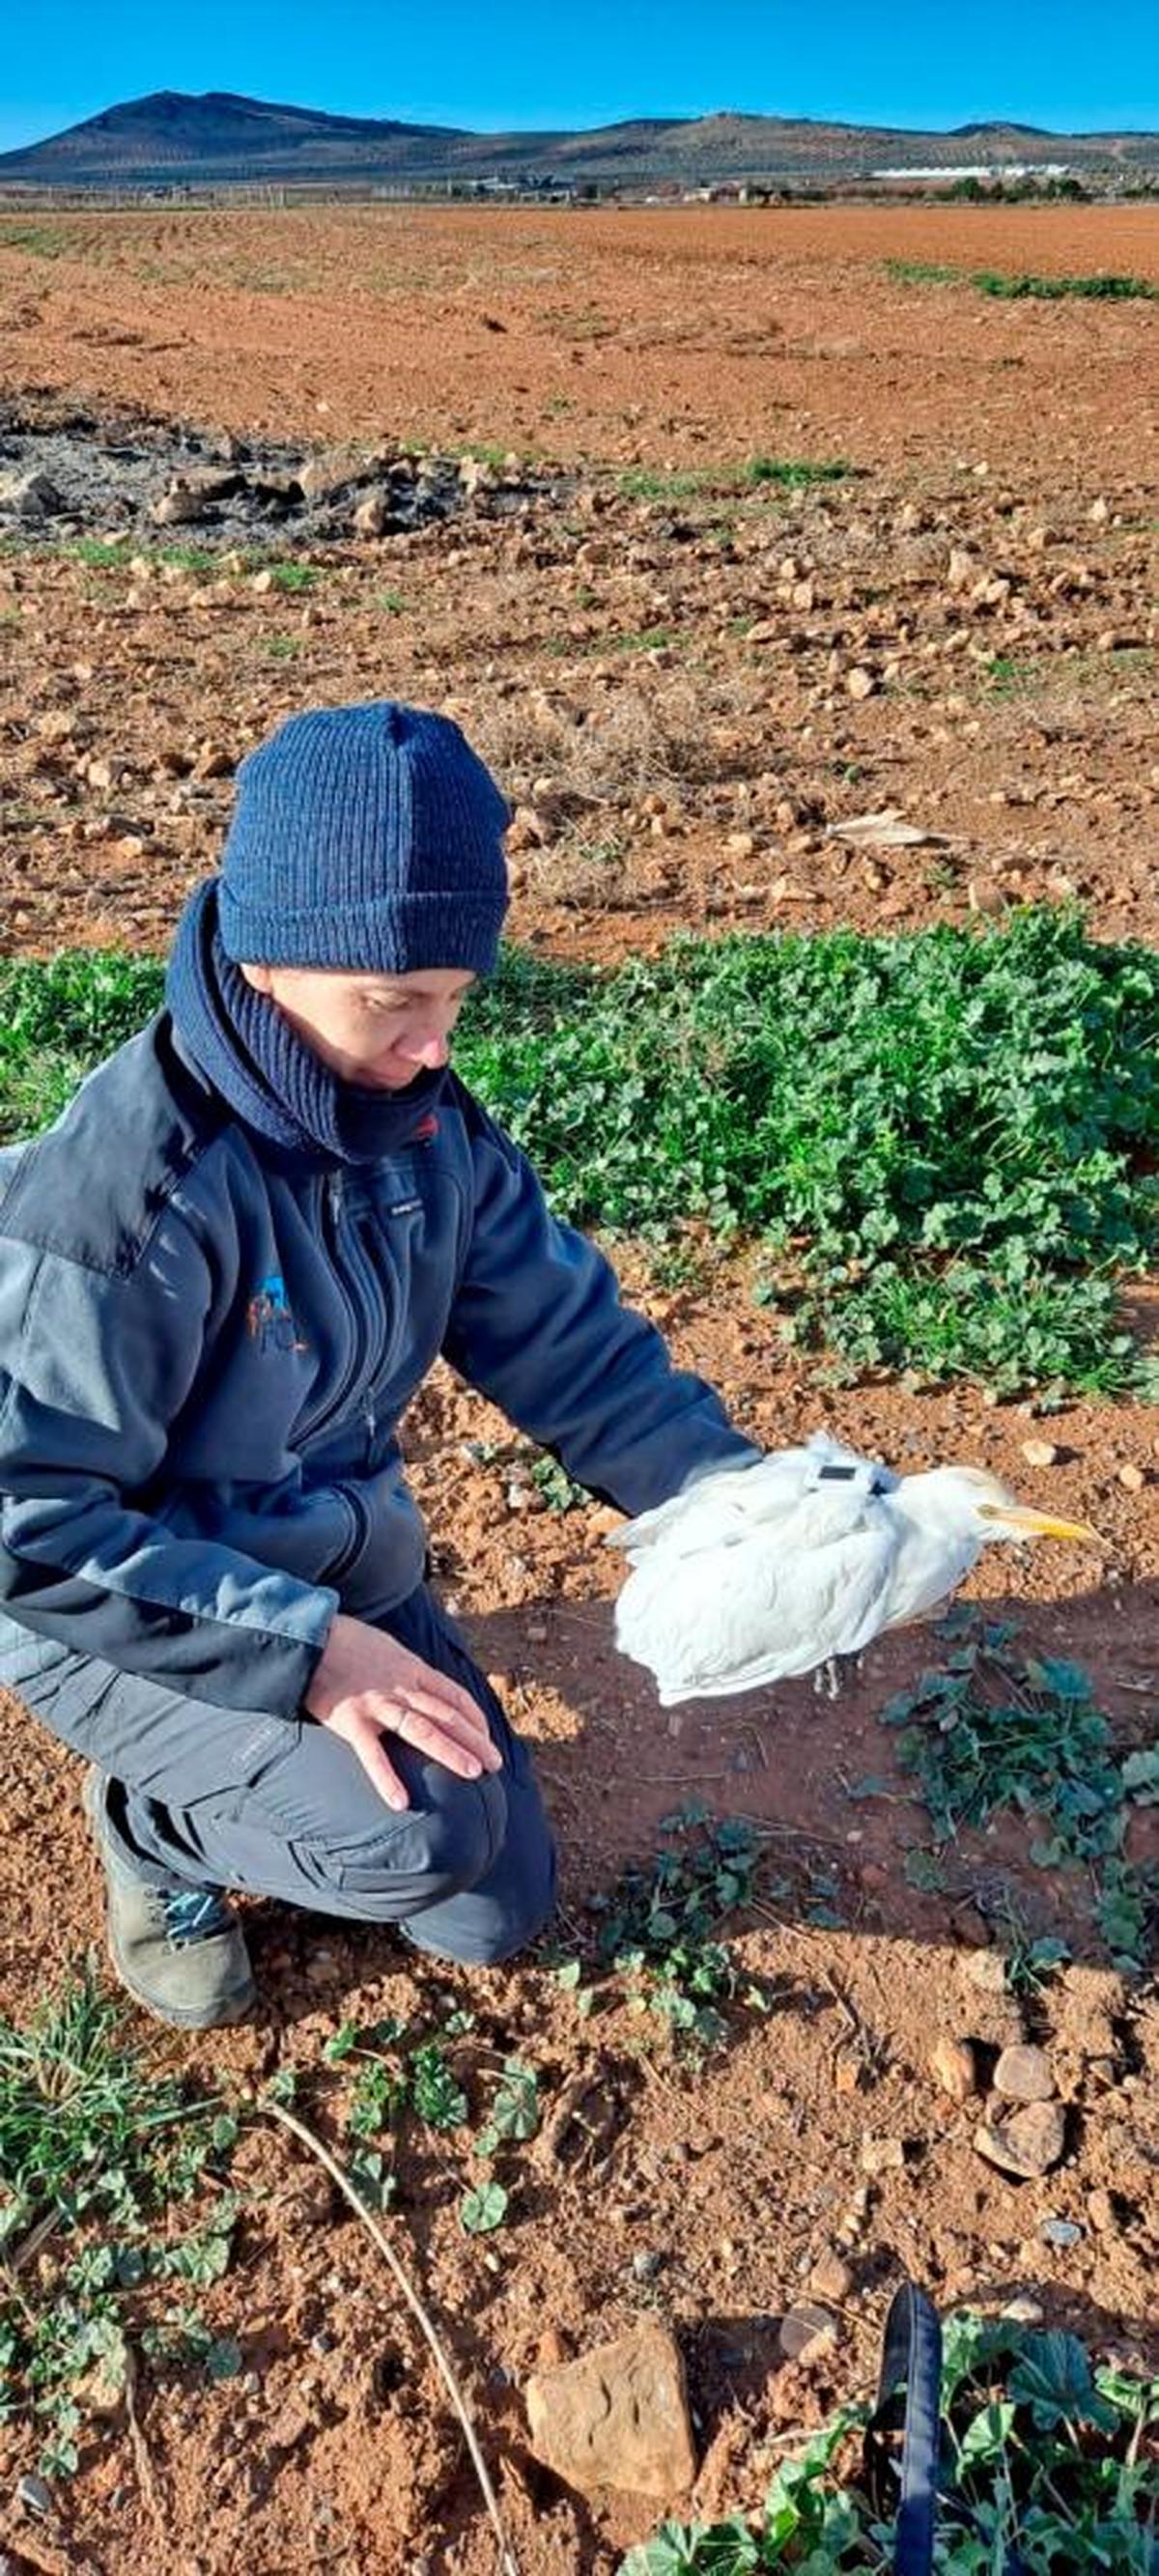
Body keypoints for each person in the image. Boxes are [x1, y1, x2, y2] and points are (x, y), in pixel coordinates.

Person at [0, 701, 761, 2029]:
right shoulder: (130, 1204)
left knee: (491, 1906)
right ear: (271, 958)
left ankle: (301, 1728)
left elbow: (570, 1344)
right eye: (397, 1003)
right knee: (414, 1843)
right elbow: (29, 1522)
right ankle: (154, 1825)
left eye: (456, 1000)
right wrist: (306, 1658)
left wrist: (749, 1507)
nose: (437, 1046)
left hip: (335, 1560)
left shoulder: (419, 1128)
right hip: (125, 1604)